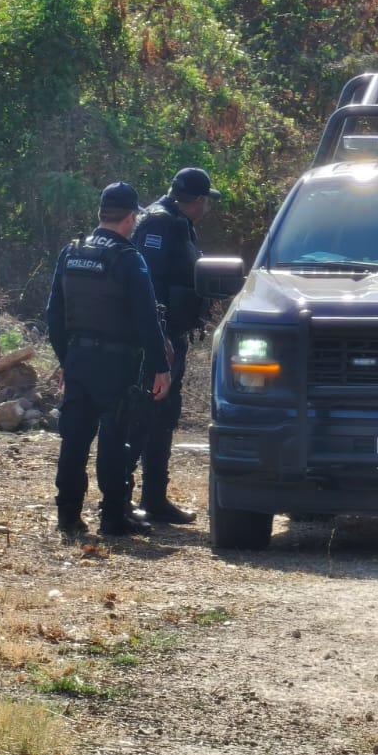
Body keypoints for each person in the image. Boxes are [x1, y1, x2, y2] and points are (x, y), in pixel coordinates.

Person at [45, 182, 171, 538]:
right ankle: (114, 516)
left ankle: (68, 515)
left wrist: (67, 359)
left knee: (74, 440)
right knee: (115, 440)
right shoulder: (129, 258)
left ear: (102, 213)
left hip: (79, 359)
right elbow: (147, 319)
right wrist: (160, 366)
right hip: (116, 364)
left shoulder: (71, 252)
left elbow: (54, 314)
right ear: (130, 218)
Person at [127, 167, 219, 524]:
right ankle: (122, 500)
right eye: (206, 200)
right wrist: (158, 336)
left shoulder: (178, 222)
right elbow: (147, 282)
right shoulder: (159, 223)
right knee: (144, 416)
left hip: (171, 335)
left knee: (163, 418)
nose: (207, 207)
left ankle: (154, 498)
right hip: (157, 338)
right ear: (197, 200)